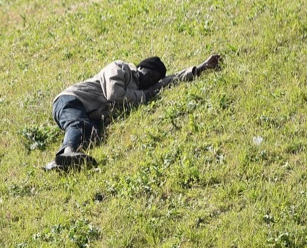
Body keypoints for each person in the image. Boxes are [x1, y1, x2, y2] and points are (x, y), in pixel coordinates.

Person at [45, 53, 221, 170]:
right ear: (142, 68)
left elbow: (169, 81)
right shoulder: (120, 68)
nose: (151, 81)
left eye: (154, 80)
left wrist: (201, 68)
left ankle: (56, 164)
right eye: (150, 75)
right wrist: (143, 95)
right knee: (78, 124)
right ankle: (66, 153)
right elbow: (114, 94)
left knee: (91, 135)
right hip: (70, 99)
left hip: (88, 112)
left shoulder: (142, 90)